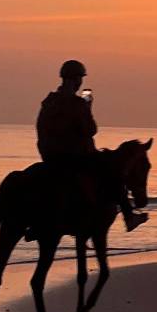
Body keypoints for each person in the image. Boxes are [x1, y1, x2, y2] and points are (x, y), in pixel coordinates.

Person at [36, 59, 98, 212]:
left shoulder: (49, 101)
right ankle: (128, 214)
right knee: (110, 172)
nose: (80, 82)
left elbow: (40, 127)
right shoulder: (77, 104)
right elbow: (90, 130)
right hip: (73, 158)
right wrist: (87, 108)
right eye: (80, 78)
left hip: (49, 157)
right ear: (76, 79)